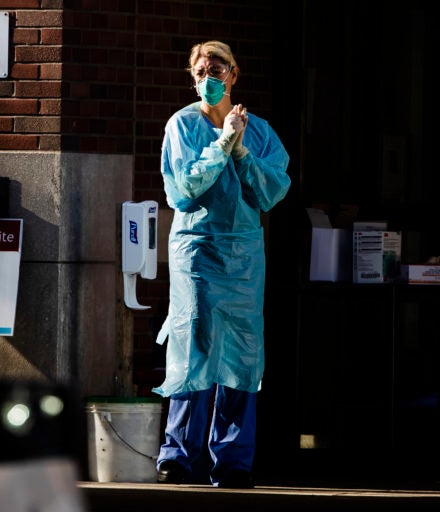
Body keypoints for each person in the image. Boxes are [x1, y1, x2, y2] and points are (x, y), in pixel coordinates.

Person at [152, 40, 290, 488]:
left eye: (217, 69)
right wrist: (224, 142)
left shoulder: (261, 131)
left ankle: (232, 460)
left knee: (242, 354)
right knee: (195, 343)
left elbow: (271, 192)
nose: (208, 77)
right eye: (200, 71)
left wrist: (242, 149)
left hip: (244, 257)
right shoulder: (183, 125)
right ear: (191, 78)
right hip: (198, 250)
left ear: (234, 73)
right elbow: (184, 189)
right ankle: (178, 455)